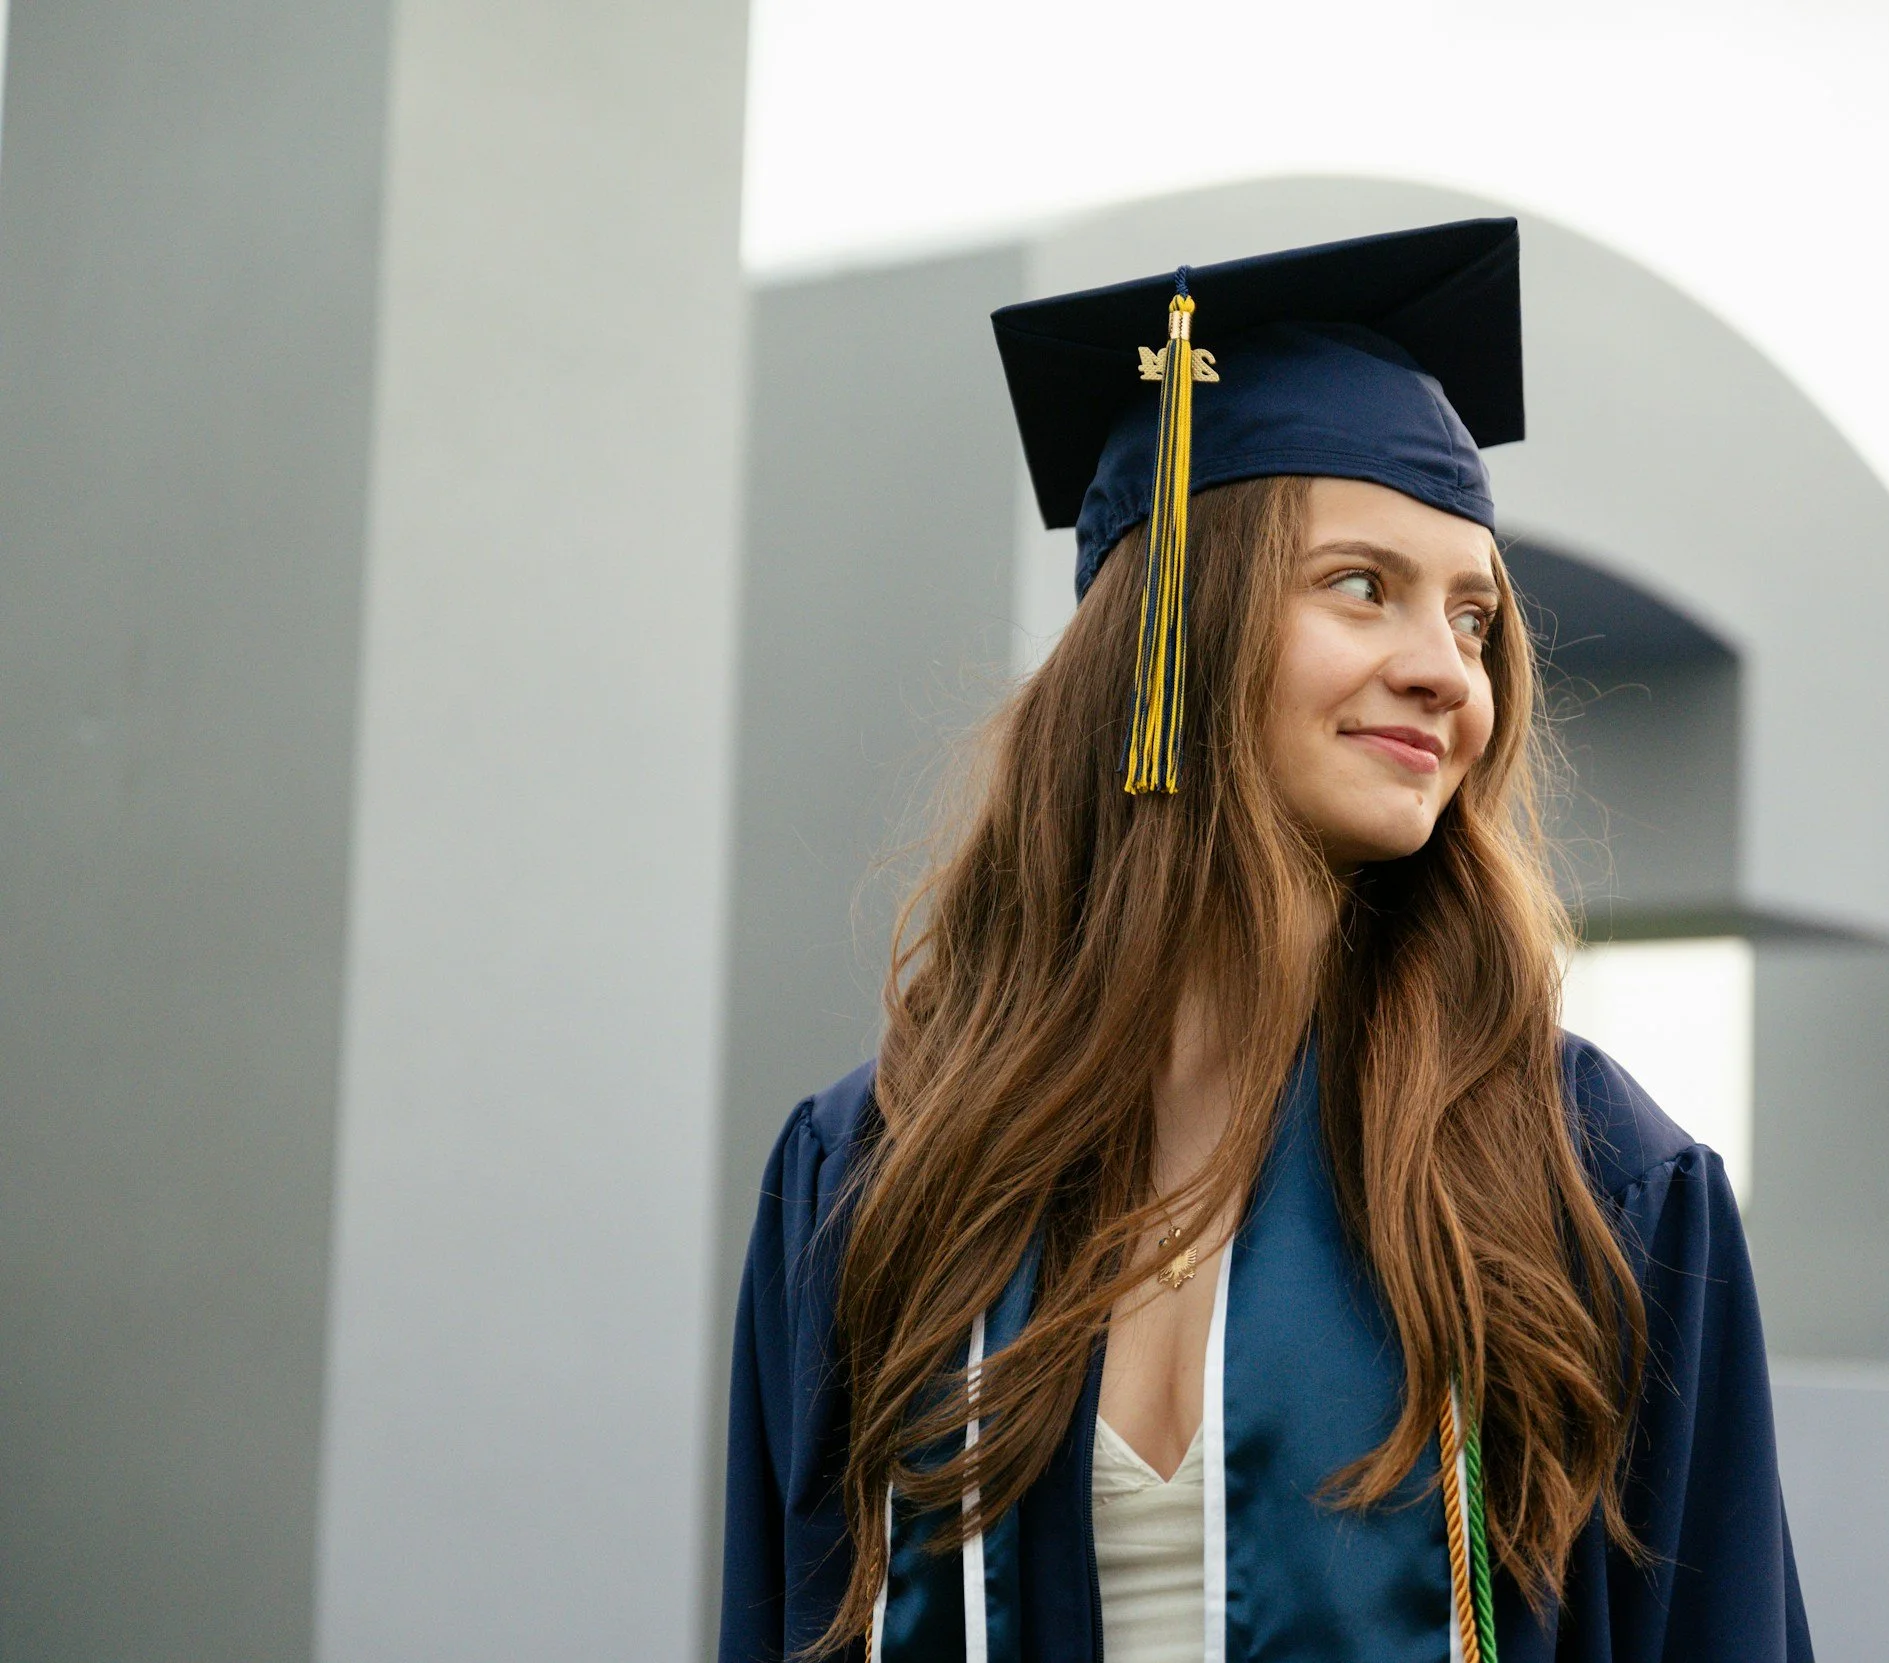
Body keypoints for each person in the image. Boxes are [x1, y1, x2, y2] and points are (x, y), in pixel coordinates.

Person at [719, 219, 1811, 1663]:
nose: (1445, 669)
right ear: (1175, 622)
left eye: (1475, 617)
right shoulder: (879, 1174)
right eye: (1365, 585)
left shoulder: (1588, 1184)